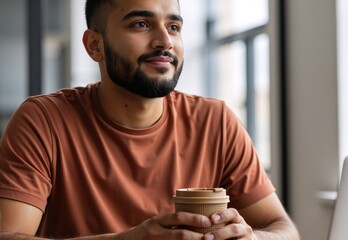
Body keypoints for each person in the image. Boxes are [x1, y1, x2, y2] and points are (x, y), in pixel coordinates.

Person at [0, 0, 300, 239]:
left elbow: (283, 228)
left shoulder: (216, 121)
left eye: (173, 26)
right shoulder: (42, 120)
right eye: (141, 24)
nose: (164, 41)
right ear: (95, 45)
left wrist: (251, 237)